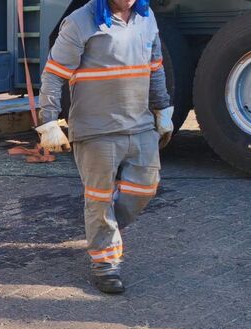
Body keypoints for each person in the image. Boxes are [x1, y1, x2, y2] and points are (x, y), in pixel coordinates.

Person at [36, 0, 173, 294]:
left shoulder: (146, 19)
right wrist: (48, 121)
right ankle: (105, 265)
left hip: (140, 125)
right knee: (99, 198)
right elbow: (53, 74)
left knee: (145, 189)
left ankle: (100, 228)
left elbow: (155, 67)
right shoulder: (79, 21)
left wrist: (162, 110)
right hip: (96, 130)